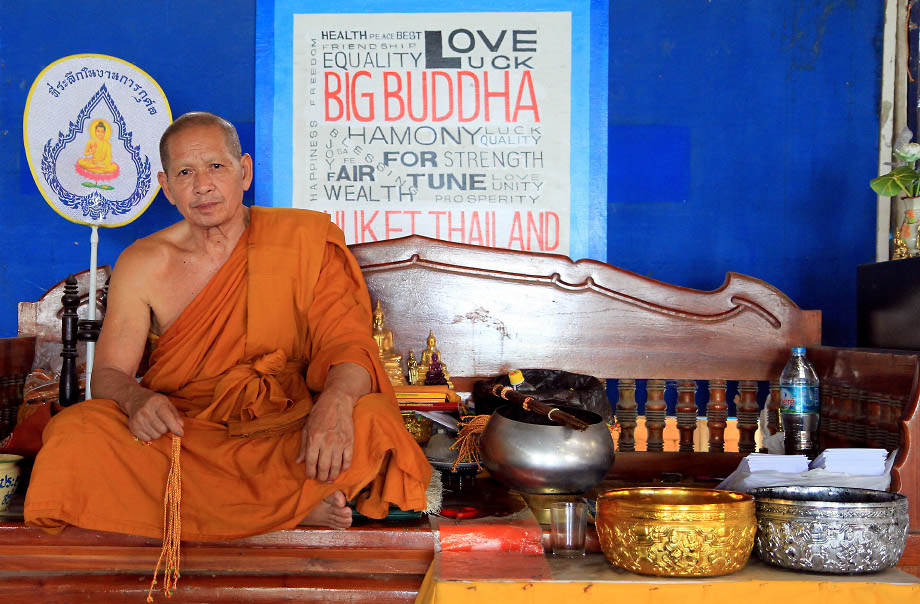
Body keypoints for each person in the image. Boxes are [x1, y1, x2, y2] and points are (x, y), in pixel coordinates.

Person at [25, 112, 432, 539]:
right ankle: (293, 505)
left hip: (289, 423)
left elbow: (347, 344)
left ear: (245, 171)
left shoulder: (302, 240)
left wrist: (333, 405)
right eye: (185, 172)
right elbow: (108, 375)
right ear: (166, 187)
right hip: (188, 432)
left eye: (216, 166)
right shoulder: (144, 262)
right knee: (76, 432)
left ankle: (268, 503)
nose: (202, 185)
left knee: (371, 419)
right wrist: (136, 399)